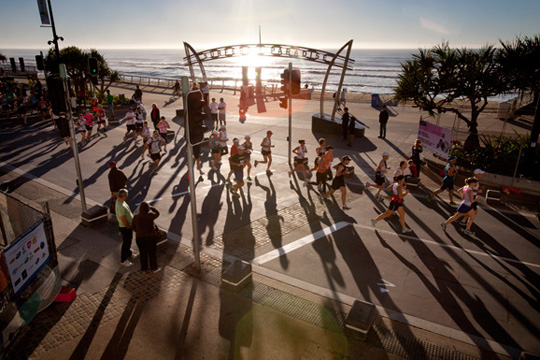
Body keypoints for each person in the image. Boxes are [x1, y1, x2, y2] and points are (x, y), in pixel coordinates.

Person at [131, 202, 161, 273]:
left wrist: (138, 232)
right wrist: (151, 207)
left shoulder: (136, 217)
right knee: (152, 253)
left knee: (143, 254)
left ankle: (144, 268)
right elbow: (157, 213)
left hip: (140, 238)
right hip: (150, 237)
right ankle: (154, 268)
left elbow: (133, 227)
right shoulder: (150, 216)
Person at [115, 188, 139, 267]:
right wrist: (128, 226)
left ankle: (129, 253)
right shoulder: (120, 206)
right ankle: (123, 260)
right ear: (124, 196)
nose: (127, 196)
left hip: (127, 226)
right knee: (126, 243)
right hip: (125, 227)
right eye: (127, 195)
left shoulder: (121, 201)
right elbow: (123, 219)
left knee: (129, 241)